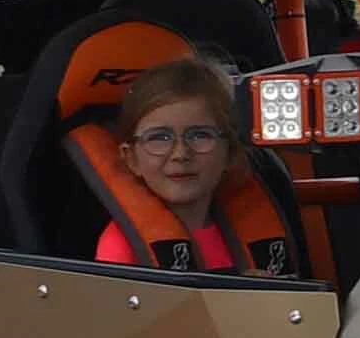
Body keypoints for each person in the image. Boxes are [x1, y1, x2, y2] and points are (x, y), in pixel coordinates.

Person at [97, 55, 250, 270]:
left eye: (199, 135)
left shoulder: (246, 232)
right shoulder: (123, 244)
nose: (180, 154)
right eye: (159, 137)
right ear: (131, 158)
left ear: (230, 152)